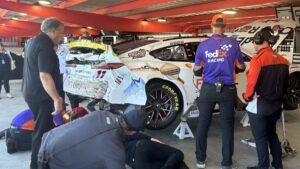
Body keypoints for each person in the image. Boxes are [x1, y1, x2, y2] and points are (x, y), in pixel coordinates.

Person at [193, 14, 246, 169]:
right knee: (227, 126)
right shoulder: (234, 44)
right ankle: (226, 163)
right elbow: (241, 66)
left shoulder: (203, 45)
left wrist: (204, 68)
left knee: (203, 123)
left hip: (208, 89)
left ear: (212, 26)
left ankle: (200, 160)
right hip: (228, 90)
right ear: (225, 27)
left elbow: (196, 69)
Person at [38, 106, 147, 169]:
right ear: (133, 132)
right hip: (49, 162)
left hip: (47, 139)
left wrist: (148, 138)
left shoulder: (101, 113)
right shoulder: (115, 152)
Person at [243, 27, 289, 169]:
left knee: (261, 138)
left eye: (255, 43)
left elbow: (252, 83)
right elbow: (285, 85)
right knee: (272, 134)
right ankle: (277, 165)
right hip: (276, 106)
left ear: (259, 40)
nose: (254, 46)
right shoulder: (283, 60)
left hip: (260, 106)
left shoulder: (258, 60)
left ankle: (263, 166)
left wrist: (247, 97)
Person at [22, 17, 64, 169]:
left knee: (47, 129)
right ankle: (36, 166)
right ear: (52, 31)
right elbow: (44, 75)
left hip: (32, 92)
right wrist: (56, 98)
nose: (62, 36)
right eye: (61, 33)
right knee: (41, 133)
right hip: (42, 96)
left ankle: (48, 160)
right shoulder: (45, 45)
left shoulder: (34, 41)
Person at [125, 132, 189, 169]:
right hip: (140, 149)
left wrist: (150, 138)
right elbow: (178, 153)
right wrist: (150, 138)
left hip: (135, 159)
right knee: (176, 155)